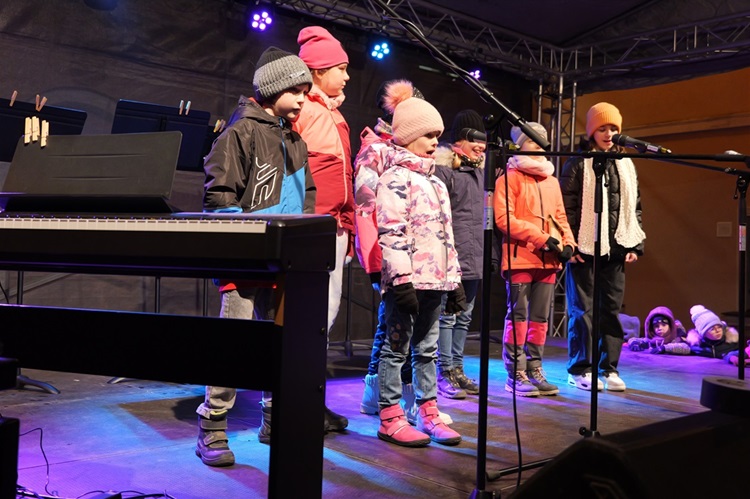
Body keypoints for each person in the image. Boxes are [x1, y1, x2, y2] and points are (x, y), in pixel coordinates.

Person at [195, 46, 315, 466]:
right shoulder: (239, 133)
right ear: (273, 89)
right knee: (234, 344)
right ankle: (212, 426)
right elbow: (219, 198)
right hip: (246, 263)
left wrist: (301, 241)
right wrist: (249, 242)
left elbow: (306, 197)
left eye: (306, 92)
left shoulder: (295, 140)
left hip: (283, 263)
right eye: (296, 91)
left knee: (281, 344)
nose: (303, 100)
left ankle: (273, 419)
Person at [375, 85, 465, 447]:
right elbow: (391, 232)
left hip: (436, 283)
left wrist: (454, 280)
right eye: (428, 134)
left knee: (427, 350)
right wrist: (400, 280)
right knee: (396, 348)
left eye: (437, 135)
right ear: (408, 135)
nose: (434, 141)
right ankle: (389, 417)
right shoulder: (394, 178)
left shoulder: (436, 182)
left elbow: (446, 237)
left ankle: (428, 411)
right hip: (408, 283)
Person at [560, 102, 646, 392]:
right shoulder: (577, 163)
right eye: (602, 128)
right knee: (581, 311)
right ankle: (579, 369)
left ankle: (608, 368)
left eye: (613, 128)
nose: (608, 134)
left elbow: (635, 208)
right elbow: (567, 208)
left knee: (610, 310)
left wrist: (635, 244)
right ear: (591, 132)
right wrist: (570, 245)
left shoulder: (626, 164)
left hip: (617, 248)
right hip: (584, 249)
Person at [293, 25, 353, 431]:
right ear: (318, 70)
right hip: (313, 229)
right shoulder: (305, 110)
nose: (347, 76)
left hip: (334, 227)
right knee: (308, 318)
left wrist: (348, 224)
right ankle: (293, 401)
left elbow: (343, 177)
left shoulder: (334, 113)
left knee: (324, 318)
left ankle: (310, 398)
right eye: (340, 68)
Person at [354, 79, 421, 420]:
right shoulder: (377, 150)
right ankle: (391, 397)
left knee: (405, 324)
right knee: (395, 323)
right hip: (389, 254)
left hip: (416, 255)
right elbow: (365, 207)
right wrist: (376, 262)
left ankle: (384, 395)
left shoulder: (408, 153)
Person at [494, 122, 575, 397]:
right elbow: (504, 219)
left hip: (548, 260)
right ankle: (515, 371)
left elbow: (560, 217)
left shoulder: (551, 181)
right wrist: (541, 238)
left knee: (540, 318)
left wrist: (568, 243)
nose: (538, 145)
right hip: (520, 258)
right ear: (519, 145)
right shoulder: (509, 178)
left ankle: (534, 367)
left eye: (541, 140)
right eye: (531, 140)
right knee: (518, 316)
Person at [433, 109, 486, 399]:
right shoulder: (445, 171)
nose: (481, 146)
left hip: (474, 257)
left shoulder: (480, 172)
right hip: (452, 257)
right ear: (460, 141)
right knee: (448, 316)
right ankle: (444, 372)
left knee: (464, 317)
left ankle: (456, 368)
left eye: (484, 140)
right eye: (475, 139)